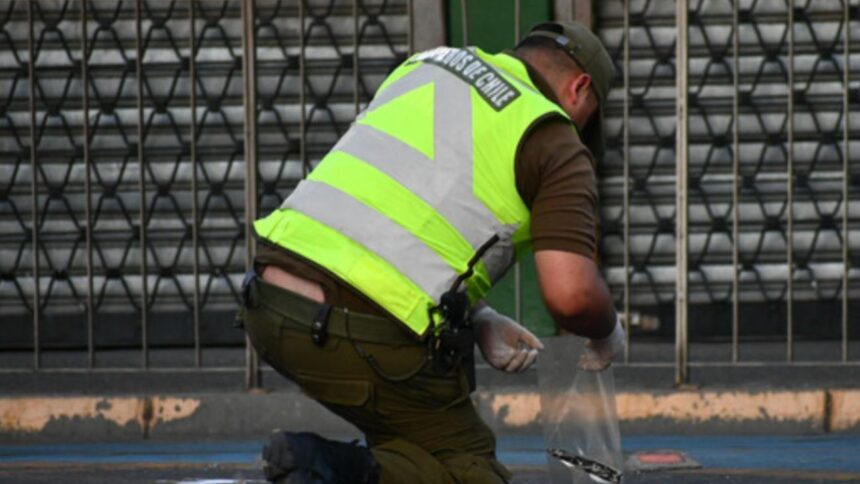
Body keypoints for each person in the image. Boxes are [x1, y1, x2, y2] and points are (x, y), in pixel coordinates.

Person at [239, 20, 626, 484]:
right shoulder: (552, 136)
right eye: (588, 119)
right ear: (580, 88)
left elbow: (401, 211)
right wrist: (607, 330)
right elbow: (572, 295)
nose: (581, 133)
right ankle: (328, 471)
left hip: (266, 301)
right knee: (466, 468)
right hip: (355, 334)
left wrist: (480, 319)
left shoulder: (428, 65)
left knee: (414, 433)